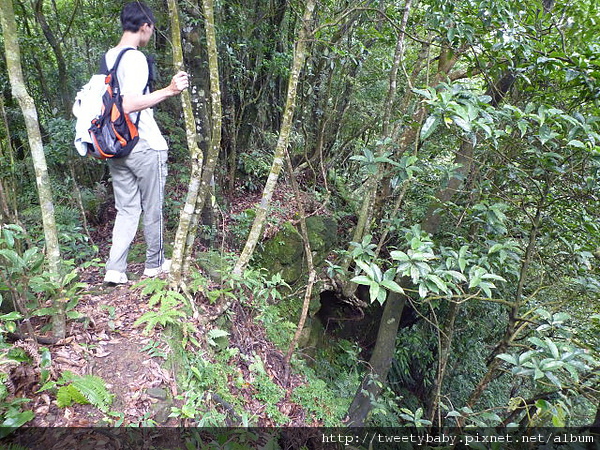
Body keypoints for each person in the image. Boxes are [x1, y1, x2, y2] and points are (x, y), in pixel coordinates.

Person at [103, 1, 189, 284]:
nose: (151, 33)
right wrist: (170, 90)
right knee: (154, 206)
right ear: (144, 26)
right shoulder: (135, 58)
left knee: (127, 208)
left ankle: (115, 269)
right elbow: (129, 104)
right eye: (151, 28)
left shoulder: (110, 57)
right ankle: (155, 264)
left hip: (116, 143)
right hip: (143, 144)